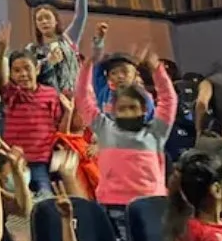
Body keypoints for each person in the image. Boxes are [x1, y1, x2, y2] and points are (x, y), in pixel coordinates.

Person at [74, 47, 176, 227]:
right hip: (114, 206)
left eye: (133, 107)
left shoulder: (156, 132)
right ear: (113, 110)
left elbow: (169, 100)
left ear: (144, 109)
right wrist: (88, 64)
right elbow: (83, 97)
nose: (128, 113)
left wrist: (157, 70)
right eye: (122, 108)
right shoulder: (105, 128)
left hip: (152, 204)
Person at [0, 24, 64, 196]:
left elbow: (57, 125)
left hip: (41, 161)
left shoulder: (50, 94)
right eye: (17, 70)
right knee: (15, 199)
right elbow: (0, 80)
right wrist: (1, 52)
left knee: (45, 198)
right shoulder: (12, 93)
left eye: (27, 68)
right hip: (15, 161)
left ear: (38, 69)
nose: (23, 74)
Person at [28, 0, 89, 92]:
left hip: (71, 96)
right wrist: (48, 62)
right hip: (46, 97)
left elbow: (80, 16)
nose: (44, 22)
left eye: (47, 18)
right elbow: (29, 75)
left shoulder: (68, 39)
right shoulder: (32, 49)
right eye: (39, 19)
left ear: (56, 21)